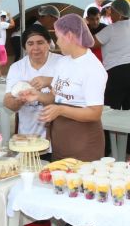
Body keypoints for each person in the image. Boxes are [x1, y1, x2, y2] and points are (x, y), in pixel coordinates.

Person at [18, 14, 107, 162]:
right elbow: (55, 97)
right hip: (60, 142)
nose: (57, 42)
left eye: (58, 37)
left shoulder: (92, 68)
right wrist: (36, 96)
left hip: (84, 143)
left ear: (70, 36)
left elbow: (95, 113)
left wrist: (61, 110)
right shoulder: (64, 62)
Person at [3, 26, 62, 143]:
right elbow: (8, 102)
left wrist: (49, 81)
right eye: (30, 44)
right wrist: (21, 99)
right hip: (28, 137)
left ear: (49, 43)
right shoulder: (17, 68)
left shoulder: (61, 63)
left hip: (59, 136)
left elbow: (69, 98)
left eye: (40, 43)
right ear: (25, 47)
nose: (35, 48)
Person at [96, 0, 130, 111]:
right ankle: (128, 129)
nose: (110, 15)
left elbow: (91, 43)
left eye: (112, 12)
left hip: (118, 72)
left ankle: (107, 129)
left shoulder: (111, 29)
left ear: (119, 13)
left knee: (110, 109)